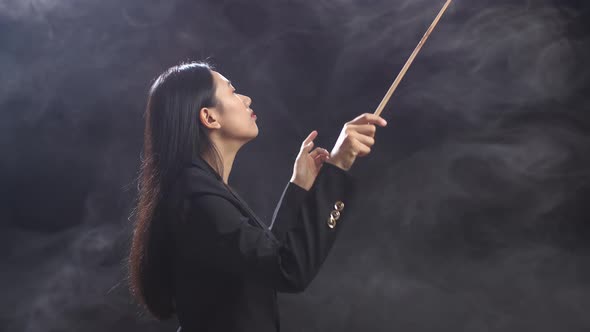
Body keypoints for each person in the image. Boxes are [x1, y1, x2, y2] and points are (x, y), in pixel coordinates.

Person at [127, 61, 388, 332]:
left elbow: (262, 262)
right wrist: (337, 169)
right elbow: (289, 270)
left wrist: (299, 186)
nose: (246, 98)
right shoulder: (195, 196)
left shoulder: (199, 187)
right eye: (232, 91)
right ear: (209, 118)